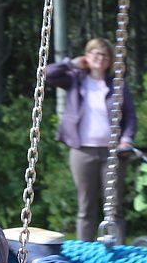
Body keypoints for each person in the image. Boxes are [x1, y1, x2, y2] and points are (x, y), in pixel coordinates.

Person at [44, 37, 138, 242]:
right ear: (87, 56)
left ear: (110, 60)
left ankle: (118, 251)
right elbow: (47, 74)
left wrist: (127, 139)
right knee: (86, 206)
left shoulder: (117, 85)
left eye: (105, 55)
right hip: (82, 151)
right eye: (96, 53)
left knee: (114, 206)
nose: (100, 58)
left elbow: (130, 116)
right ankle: (85, 251)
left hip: (113, 152)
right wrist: (71, 63)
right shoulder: (75, 79)